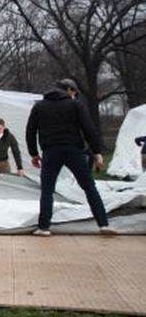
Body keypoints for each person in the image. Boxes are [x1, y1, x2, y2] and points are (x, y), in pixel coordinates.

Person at [26, 78, 114, 236]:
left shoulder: (39, 106)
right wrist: (97, 152)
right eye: (74, 92)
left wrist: (34, 154)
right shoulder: (75, 105)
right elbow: (88, 128)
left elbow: (30, 131)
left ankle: (44, 227)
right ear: (68, 90)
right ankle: (103, 224)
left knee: (47, 190)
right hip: (73, 150)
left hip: (50, 151)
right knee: (89, 187)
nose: (75, 95)